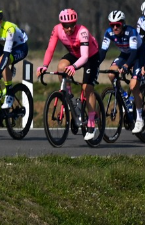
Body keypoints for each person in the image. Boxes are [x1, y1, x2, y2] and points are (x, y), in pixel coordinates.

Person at [36, 8, 99, 142]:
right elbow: (50, 49)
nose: (69, 28)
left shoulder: (82, 32)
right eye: (66, 26)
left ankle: (92, 123)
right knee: (61, 67)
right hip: (75, 54)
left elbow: (85, 56)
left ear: (75, 23)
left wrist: (74, 66)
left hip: (90, 56)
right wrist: (45, 66)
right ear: (61, 25)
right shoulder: (57, 29)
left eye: (71, 25)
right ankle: (69, 95)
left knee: (87, 88)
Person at [98, 10, 145, 134]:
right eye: (112, 25)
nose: (115, 27)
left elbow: (134, 52)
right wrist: (95, 65)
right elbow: (103, 52)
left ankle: (140, 118)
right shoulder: (109, 33)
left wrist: (126, 66)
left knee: (133, 85)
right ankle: (125, 97)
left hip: (138, 55)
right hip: (124, 54)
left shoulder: (131, 32)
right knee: (111, 74)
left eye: (117, 25)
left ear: (123, 24)